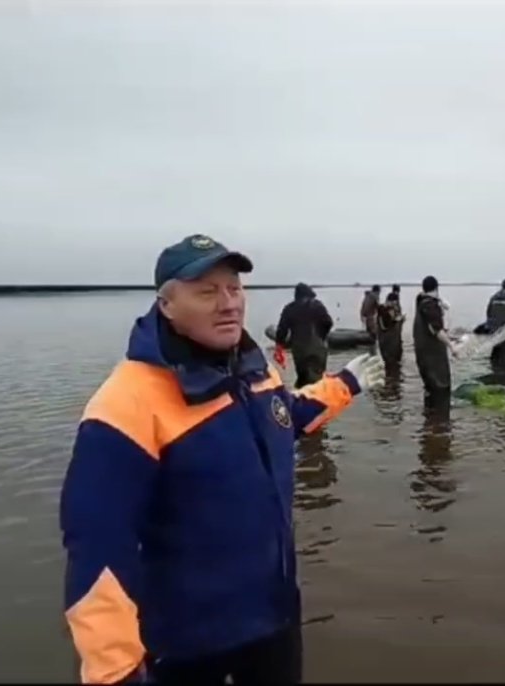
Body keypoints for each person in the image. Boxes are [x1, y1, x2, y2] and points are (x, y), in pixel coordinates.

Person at [59, 234, 384, 686]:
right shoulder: (124, 404)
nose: (228, 303)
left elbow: (283, 417)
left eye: (234, 288)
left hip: (274, 620)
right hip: (187, 645)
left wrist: (342, 385)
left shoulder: (254, 370)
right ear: (167, 304)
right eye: (207, 292)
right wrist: (116, 671)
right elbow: (96, 550)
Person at [274, 282, 335, 389]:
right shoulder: (317, 305)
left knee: (304, 380)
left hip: (299, 351)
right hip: (317, 349)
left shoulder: (289, 308)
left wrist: (280, 344)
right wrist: (321, 336)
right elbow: (328, 323)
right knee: (317, 381)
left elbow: (281, 330)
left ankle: (303, 399)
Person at [413, 275, 459, 400]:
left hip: (422, 355)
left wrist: (439, 301)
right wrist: (452, 347)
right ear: (437, 288)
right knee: (441, 391)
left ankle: (430, 416)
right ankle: (439, 417)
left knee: (430, 390)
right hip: (432, 357)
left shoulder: (420, 301)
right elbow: (437, 331)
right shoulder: (431, 306)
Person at [377, 290, 405, 375]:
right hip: (387, 343)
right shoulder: (383, 310)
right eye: (394, 303)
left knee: (392, 365)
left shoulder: (387, 309)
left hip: (391, 343)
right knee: (391, 364)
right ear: (389, 301)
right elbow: (385, 326)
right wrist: (397, 320)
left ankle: (391, 381)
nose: (395, 306)